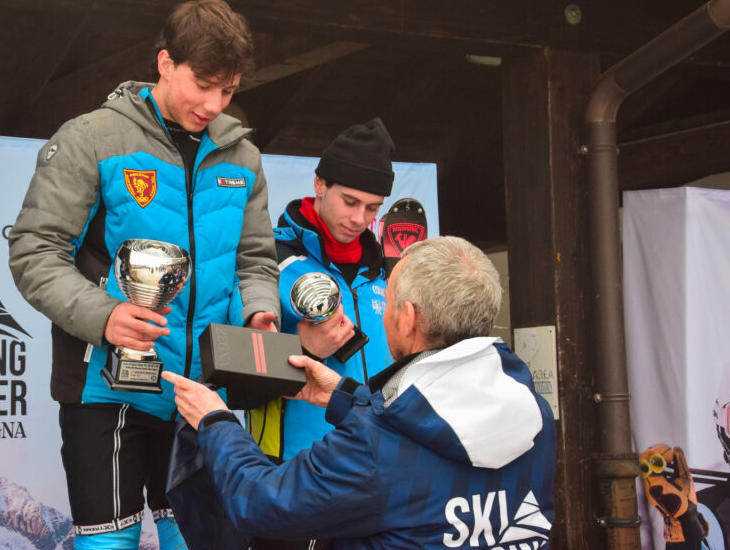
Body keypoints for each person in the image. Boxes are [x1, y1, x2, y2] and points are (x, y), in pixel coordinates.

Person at [8, 0, 280, 550]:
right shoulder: (92, 138)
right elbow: (34, 251)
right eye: (202, 83)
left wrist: (259, 307)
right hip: (107, 389)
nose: (213, 103)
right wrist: (105, 316)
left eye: (226, 90)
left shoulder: (242, 156)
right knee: (109, 543)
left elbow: (254, 259)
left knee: (200, 540)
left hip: (201, 389)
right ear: (165, 63)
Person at [164, 236, 556, 550]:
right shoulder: (534, 412)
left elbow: (262, 503)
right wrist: (346, 396)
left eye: (388, 300)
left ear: (408, 318)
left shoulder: (375, 445)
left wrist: (216, 422)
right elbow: (429, 445)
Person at [245, 118, 395, 550]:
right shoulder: (267, 260)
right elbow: (232, 380)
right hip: (291, 474)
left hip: (375, 474)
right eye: (350, 201)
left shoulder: (385, 276)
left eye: (372, 208)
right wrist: (301, 347)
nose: (359, 218)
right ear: (319, 184)